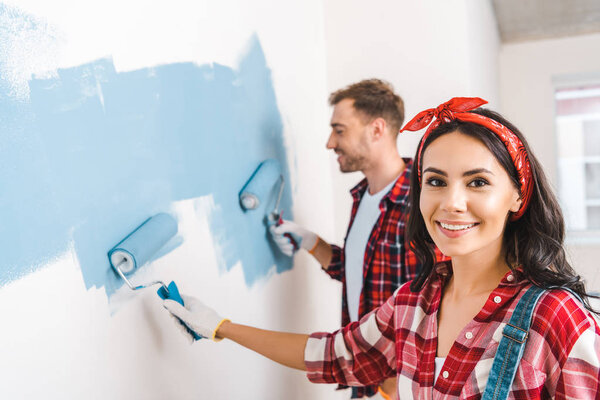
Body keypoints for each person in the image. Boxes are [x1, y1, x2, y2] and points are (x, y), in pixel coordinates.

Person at [164, 97, 600, 399]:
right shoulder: (412, 304)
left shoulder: (554, 318)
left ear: (518, 197)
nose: (451, 202)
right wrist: (220, 325)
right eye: (435, 181)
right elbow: (334, 355)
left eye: (478, 182)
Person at [270, 79, 442, 398]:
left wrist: (396, 380)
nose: (329, 142)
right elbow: (361, 275)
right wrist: (309, 242)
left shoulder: (420, 205)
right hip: (365, 380)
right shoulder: (364, 196)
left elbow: (440, 301)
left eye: (339, 129)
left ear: (376, 129)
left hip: (402, 386)